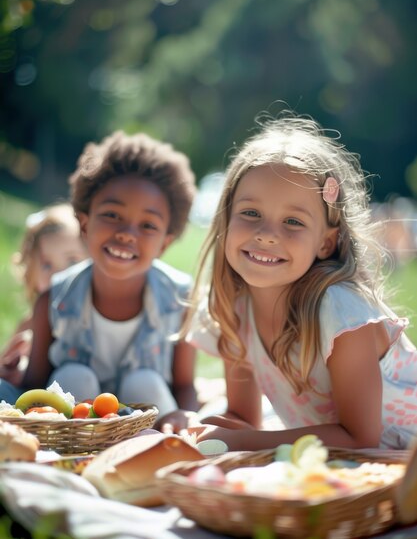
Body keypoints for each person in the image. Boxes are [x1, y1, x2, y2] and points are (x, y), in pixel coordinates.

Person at [183, 115, 417, 451]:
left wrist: (242, 440)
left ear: (326, 242)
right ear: (226, 219)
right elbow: (245, 422)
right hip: (332, 463)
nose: (266, 235)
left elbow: (360, 438)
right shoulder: (232, 309)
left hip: (397, 465)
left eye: (293, 221)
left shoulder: (341, 311)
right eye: (250, 213)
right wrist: (198, 431)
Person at [0, 131, 199, 431]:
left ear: (164, 243)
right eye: (112, 215)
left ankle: (149, 457)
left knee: (144, 382)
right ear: (84, 223)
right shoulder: (53, 299)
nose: (127, 233)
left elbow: (184, 386)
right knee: (73, 376)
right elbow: (37, 385)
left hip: (147, 429)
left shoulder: (180, 299)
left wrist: (188, 416)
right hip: (75, 431)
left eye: (147, 225)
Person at [0, 203, 88, 386]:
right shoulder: (30, 324)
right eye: (47, 265)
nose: (57, 276)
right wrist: (12, 367)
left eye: (72, 262)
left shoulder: (91, 320)